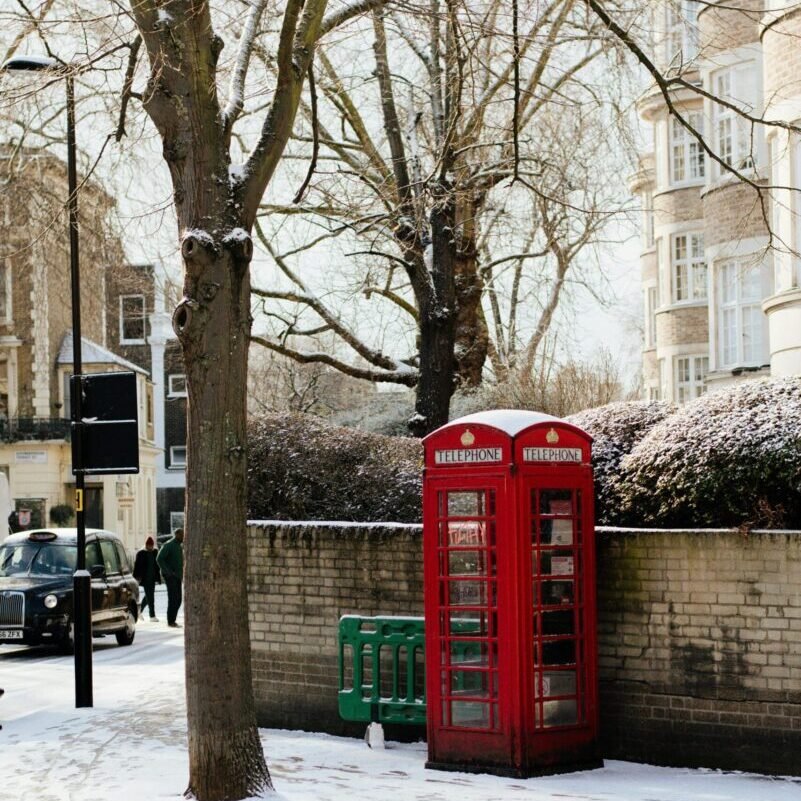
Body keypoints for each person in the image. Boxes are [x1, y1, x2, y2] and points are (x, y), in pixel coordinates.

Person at [156, 528, 184, 628]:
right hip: (171, 577)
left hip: (178, 576)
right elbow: (159, 558)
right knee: (173, 599)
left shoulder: (179, 546)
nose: (183, 537)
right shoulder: (169, 545)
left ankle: (173, 619)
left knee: (179, 599)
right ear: (176, 535)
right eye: (181, 535)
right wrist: (167, 571)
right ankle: (170, 620)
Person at [133, 536, 161, 621]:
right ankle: (152, 616)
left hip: (152, 578)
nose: (150, 547)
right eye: (149, 545)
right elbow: (136, 566)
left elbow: (157, 566)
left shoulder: (155, 552)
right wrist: (136, 578)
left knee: (148, 596)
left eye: (151, 545)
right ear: (146, 545)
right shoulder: (141, 553)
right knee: (150, 597)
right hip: (144, 579)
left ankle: (139, 612)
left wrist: (158, 577)